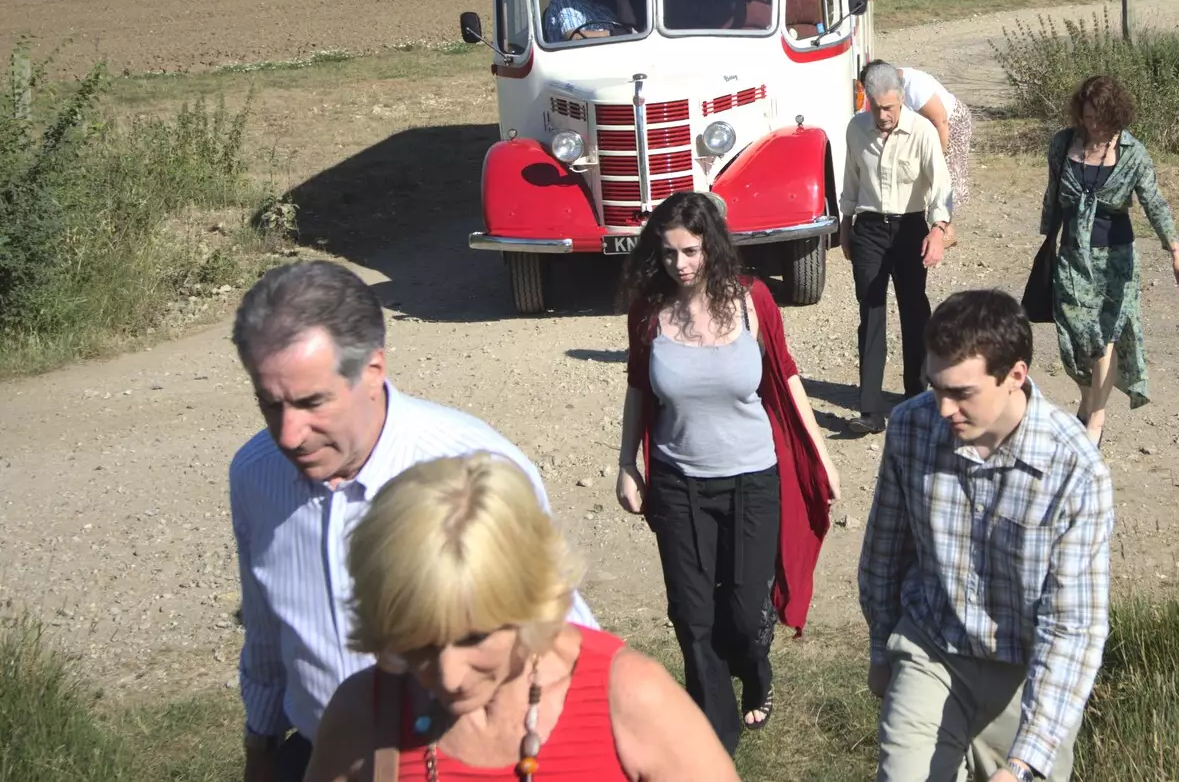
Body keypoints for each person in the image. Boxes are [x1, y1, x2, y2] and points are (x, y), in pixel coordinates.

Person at [228, 261, 595, 782]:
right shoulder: (254, 474)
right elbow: (266, 623)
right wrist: (261, 740)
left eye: (312, 403)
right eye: (270, 405)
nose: (288, 435)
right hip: (316, 757)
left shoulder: (474, 465)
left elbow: (562, 628)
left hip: (450, 762)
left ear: (372, 371)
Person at [304, 453, 739, 782]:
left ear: (531, 602)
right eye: (418, 642)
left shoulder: (629, 700)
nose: (450, 675)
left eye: (474, 637)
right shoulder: (360, 717)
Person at [615, 191, 839, 755]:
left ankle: (755, 670)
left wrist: (822, 456)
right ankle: (715, 736)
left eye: (690, 251)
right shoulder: (648, 309)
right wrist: (626, 464)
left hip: (753, 478)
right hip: (678, 481)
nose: (680, 264)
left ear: (711, 248)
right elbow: (638, 388)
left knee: (742, 611)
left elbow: (786, 378)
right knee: (692, 615)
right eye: (668, 254)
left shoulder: (752, 301)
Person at [858, 290, 1114, 782]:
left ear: (1015, 376)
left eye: (961, 393)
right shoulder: (912, 427)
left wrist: (1023, 763)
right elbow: (884, 550)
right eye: (935, 388)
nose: (944, 407)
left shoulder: (1076, 470)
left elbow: (1073, 628)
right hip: (930, 646)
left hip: (1024, 675)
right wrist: (879, 648)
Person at [1042, 75, 1179, 445]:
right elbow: (1052, 195)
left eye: (1099, 118)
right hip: (1072, 256)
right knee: (1074, 336)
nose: (1092, 124)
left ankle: (1095, 419)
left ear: (1115, 115)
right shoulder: (1063, 144)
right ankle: (1088, 400)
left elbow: (1155, 204)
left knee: (1104, 339)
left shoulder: (1133, 153)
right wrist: (1045, 243)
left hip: (1116, 262)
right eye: (1087, 116)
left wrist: (1177, 253)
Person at [840, 61, 953, 435]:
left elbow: (940, 186)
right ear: (867, 102)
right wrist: (845, 224)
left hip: (909, 226)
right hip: (869, 227)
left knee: (913, 307)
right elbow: (852, 179)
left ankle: (916, 397)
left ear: (901, 99)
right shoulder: (856, 130)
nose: (884, 115)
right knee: (870, 310)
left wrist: (937, 230)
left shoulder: (922, 131)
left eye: (890, 107)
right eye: (877, 108)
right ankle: (869, 410)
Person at [860, 61, 974, 246]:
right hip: (931, 126)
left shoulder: (913, 86)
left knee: (945, 175)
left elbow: (941, 121)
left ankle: (945, 231)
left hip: (951, 124)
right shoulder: (891, 91)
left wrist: (939, 156)